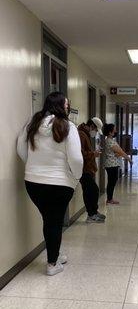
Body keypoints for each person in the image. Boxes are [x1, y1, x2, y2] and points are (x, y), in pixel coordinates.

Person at [17, 92, 83, 276]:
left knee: (50, 220)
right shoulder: (68, 126)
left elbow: (20, 148)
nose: (68, 108)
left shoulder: (32, 124)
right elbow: (76, 159)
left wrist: (33, 166)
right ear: (60, 106)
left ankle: (56, 253)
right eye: (67, 105)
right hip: (59, 184)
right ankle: (52, 264)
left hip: (33, 183)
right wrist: (76, 177)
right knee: (53, 222)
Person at [78, 117, 106, 223]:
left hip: (87, 168)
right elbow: (80, 153)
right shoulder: (81, 134)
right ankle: (91, 215)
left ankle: (93, 212)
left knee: (90, 191)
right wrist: (93, 154)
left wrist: (93, 153)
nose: (95, 133)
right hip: (84, 169)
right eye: (95, 130)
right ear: (92, 126)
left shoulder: (85, 134)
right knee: (92, 191)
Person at [103, 123, 132, 204]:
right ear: (110, 132)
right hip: (111, 165)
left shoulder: (112, 140)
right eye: (114, 129)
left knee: (112, 181)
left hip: (113, 164)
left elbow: (118, 152)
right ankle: (109, 199)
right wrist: (129, 159)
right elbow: (120, 151)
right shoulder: (109, 141)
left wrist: (119, 153)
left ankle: (110, 198)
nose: (116, 131)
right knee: (111, 182)